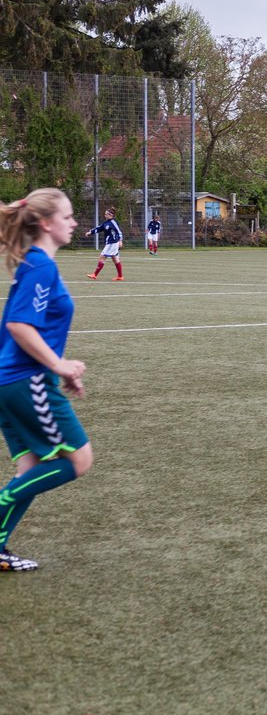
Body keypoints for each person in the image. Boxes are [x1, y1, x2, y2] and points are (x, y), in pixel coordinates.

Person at [0, 189, 92, 572]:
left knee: (32, 466)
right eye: (68, 217)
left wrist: (58, 369)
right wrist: (57, 365)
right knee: (78, 460)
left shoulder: (35, 264)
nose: (74, 223)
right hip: (26, 380)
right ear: (46, 223)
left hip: (14, 382)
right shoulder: (40, 266)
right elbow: (19, 325)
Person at [85, 207, 124, 281]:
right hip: (110, 243)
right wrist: (90, 232)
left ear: (110, 215)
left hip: (112, 243)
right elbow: (99, 228)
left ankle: (95, 274)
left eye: (106, 214)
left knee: (102, 257)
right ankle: (120, 276)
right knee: (115, 259)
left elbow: (119, 232)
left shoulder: (113, 222)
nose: (104, 215)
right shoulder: (106, 223)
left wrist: (120, 241)